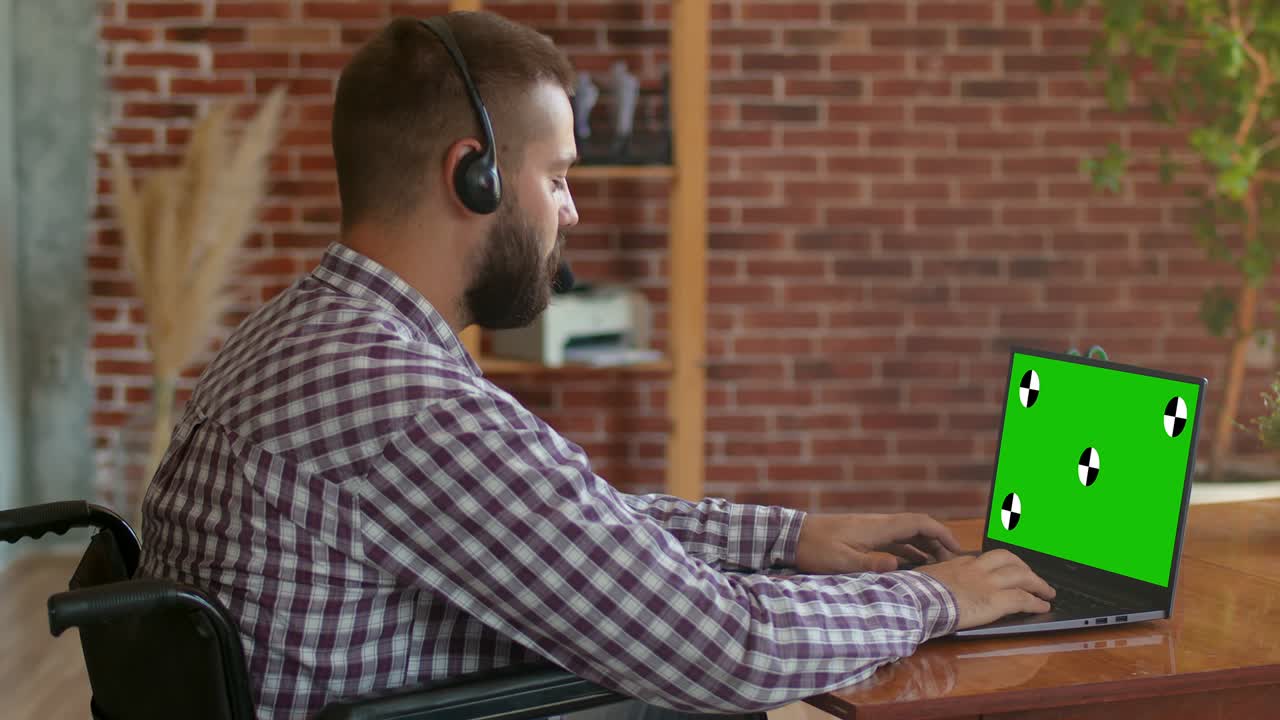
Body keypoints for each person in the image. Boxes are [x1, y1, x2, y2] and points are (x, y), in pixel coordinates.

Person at [136, 11, 1056, 720]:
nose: (571, 214)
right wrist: (935, 597)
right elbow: (724, 649)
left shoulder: (292, 339)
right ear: (475, 178)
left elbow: (571, 524)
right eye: (560, 177)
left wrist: (787, 538)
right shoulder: (407, 406)